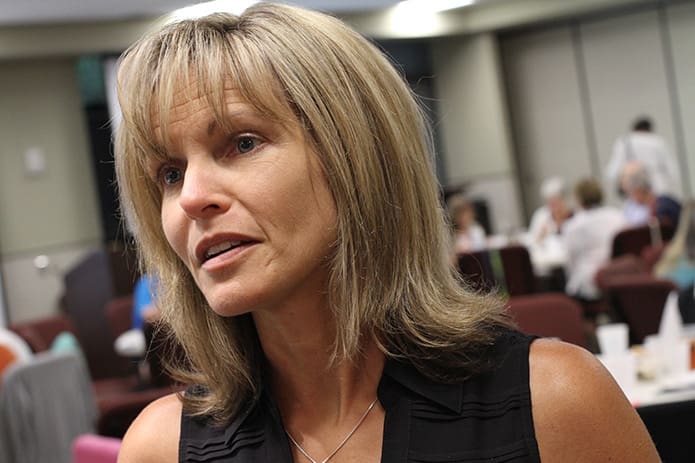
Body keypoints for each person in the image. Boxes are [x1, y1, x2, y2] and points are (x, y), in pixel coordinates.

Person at [114, 4, 659, 462]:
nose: (190, 197)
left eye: (243, 142)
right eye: (169, 172)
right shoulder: (159, 448)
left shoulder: (555, 405)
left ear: (357, 157)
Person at [563, 178, 627, 301]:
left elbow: (571, 262)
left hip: (590, 284)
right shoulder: (618, 216)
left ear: (578, 199)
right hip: (619, 278)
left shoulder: (573, 226)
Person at [606, 116, 681, 198]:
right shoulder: (657, 141)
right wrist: (673, 181)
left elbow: (614, 168)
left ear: (634, 129)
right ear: (649, 129)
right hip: (657, 184)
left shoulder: (624, 141)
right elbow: (670, 167)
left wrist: (615, 180)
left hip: (634, 185)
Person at [622, 162, 682, 229]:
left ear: (638, 190)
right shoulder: (660, 205)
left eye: (629, 192)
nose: (631, 198)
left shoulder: (664, 208)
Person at [527, 176, 573, 246]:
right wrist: (541, 235)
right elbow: (532, 242)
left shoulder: (574, 216)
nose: (555, 207)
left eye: (557, 201)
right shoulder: (541, 215)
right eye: (551, 203)